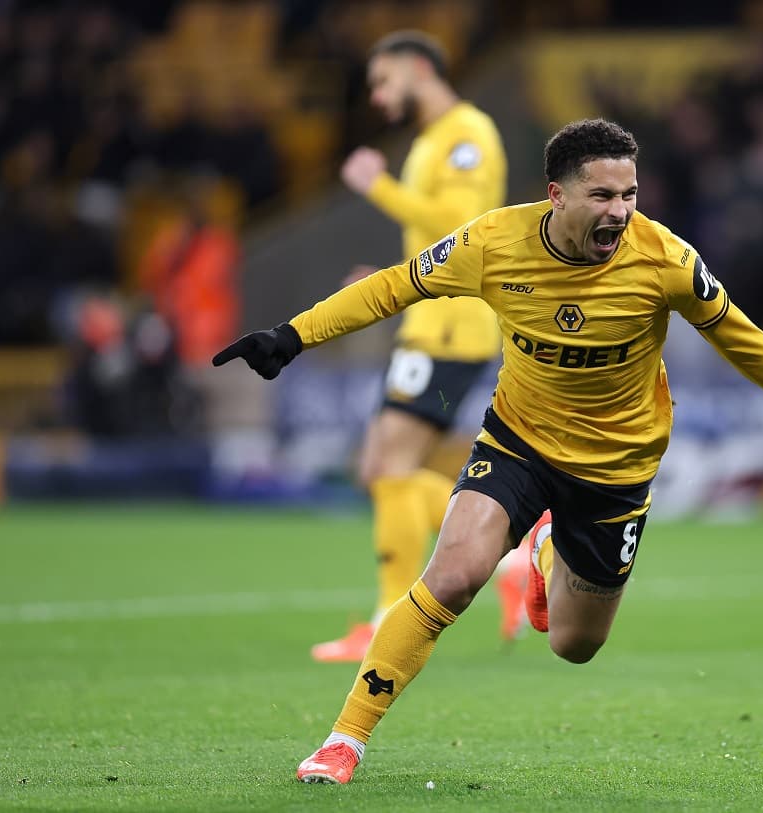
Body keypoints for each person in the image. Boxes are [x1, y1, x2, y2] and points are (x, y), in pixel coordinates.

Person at [212, 118, 763, 785]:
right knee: (453, 577)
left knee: (574, 644)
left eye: (629, 194)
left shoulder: (665, 259)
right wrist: (292, 336)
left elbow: (737, 333)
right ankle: (344, 740)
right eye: (603, 195)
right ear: (557, 195)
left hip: (616, 470)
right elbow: (394, 286)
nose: (620, 211)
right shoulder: (494, 242)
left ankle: (548, 548)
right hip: (518, 443)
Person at [309, 31, 519, 663]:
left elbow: (459, 229)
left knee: (390, 468)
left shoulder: (466, 134)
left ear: (419, 68)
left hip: (453, 327)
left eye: (383, 80)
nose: (376, 96)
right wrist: (391, 277)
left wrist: (378, 186)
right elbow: (437, 245)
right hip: (430, 323)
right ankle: (515, 557)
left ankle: (386, 623)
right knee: (380, 469)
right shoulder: (432, 141)